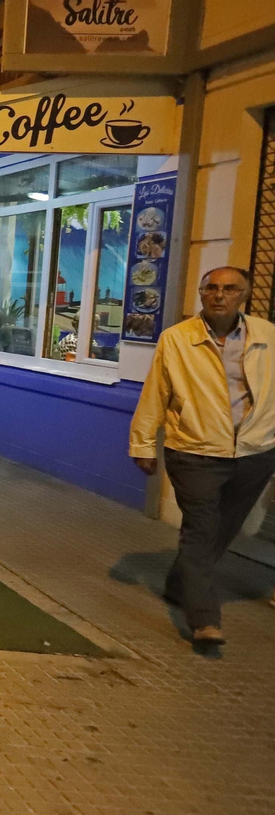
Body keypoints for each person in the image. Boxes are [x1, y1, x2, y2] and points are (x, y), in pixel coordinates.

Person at [130, 266, 275, 647]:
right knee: (201, 530)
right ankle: (204, 619)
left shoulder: (268, 336)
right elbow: (155, 393)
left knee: (224, 531)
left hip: (255, 452)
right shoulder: (177, 338)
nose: (219, 295)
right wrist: (143, 444)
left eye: (229, 289)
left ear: (243, 295)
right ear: (200, 293)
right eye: (211, 288)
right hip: (194, 450)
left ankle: (180, 585)